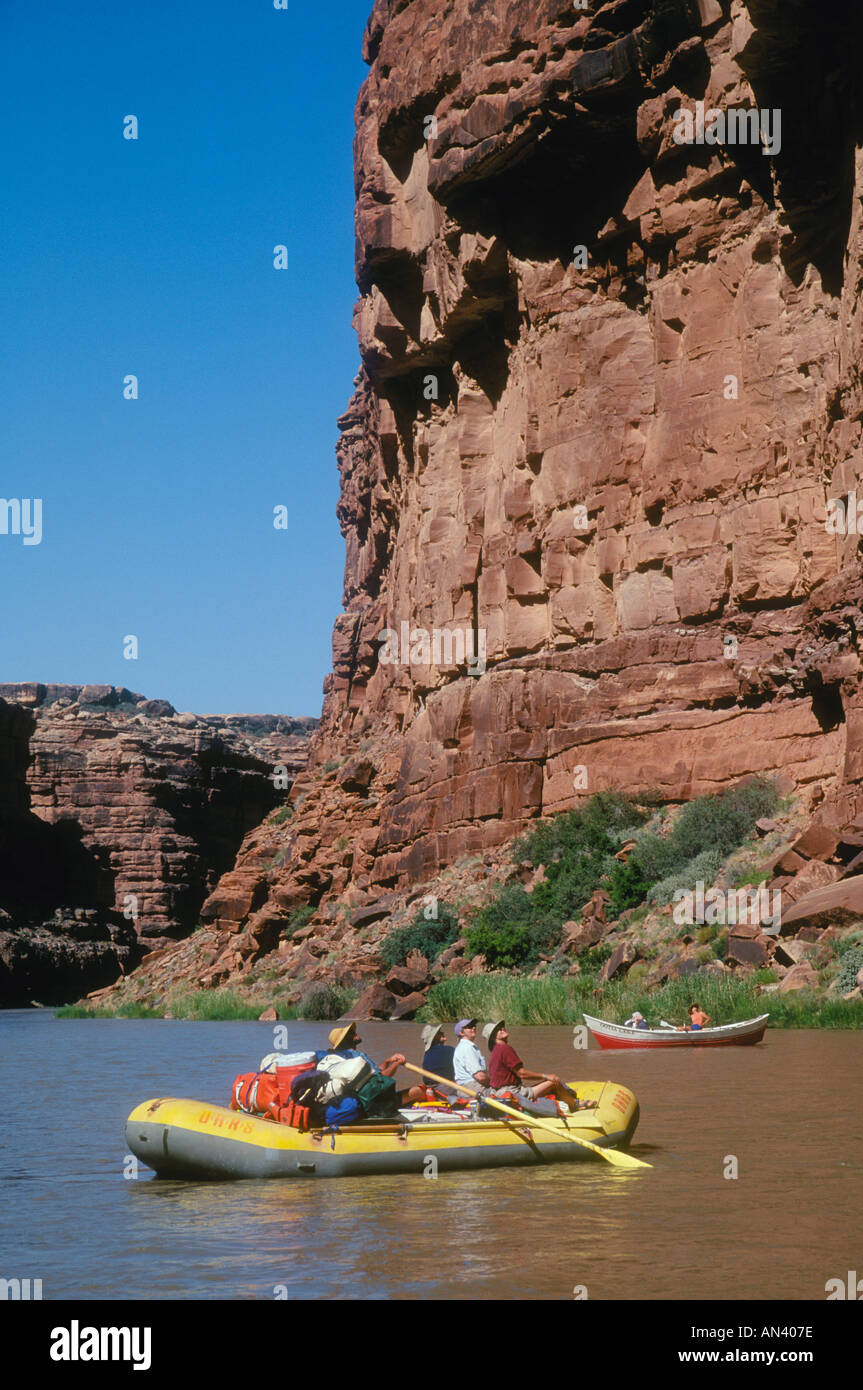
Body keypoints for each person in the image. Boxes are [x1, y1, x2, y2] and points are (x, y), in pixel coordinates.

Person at [484, 1020, 595, 1112]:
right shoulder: (504, 1048)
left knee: (543, 1085)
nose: (502, 1029)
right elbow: (521, 1073)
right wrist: (545, 1076)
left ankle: (567, 1099)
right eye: (498, 1030)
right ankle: (575, 1104)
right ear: (493, 1037)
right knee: (553, 1082)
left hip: (500, 1093)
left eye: (501, 1027)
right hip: (514, 1093)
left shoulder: (495, 1052)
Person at [323, 1023, 425, 1108]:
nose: (356, 1033)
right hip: (375, 1102)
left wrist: (388, 1061)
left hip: (363, 1099)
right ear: (346, 1039)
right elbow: (382, 1079)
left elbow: (375, 1072)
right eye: (352, 1033)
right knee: (420, 1090)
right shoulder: (358, 1056)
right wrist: (396, 1064)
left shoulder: (341, 1057)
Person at [452, 1018, 490, 1090]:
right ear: (461, 1033)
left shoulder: (466, 1046)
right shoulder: (467, 1047)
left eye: (474, 1025)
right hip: (472, 1087)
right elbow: (480, 1076)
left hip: (469, 1086)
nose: (474, 1028)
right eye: (469, 1027)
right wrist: (492, 1084)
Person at [420, 1023, 455, 1095]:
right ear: (435, 1038)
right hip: (445, 1089)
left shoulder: (427, 1054)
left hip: (431, 1089)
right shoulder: (448, 1050)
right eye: (439, 1032)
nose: (443, 1033)